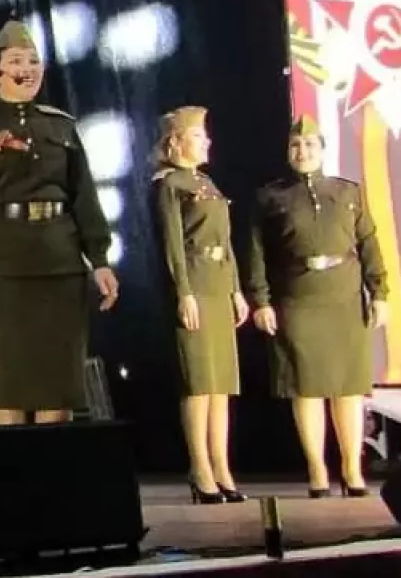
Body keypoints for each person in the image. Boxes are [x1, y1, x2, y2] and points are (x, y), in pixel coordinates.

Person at [0, 21, 119, 426]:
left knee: (56, 385)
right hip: (3, 268)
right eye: (15, 61)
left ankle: (52, 466)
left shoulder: (61, 125)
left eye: (33, 61)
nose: (27, 69)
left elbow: (84, 197)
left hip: (59, 265)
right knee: (8, 383)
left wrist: (99, 260)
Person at [245, 114, 389, 498]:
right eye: (295, 145)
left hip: (344, 297)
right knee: (305, 388)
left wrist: (380, 292)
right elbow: (257, 254)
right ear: (287, 152)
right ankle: (317, 469)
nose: (302, 151)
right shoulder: (271, 198)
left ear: (322, 149)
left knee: (348, 387)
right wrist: (261, 301)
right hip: (298, 299)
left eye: (310, 144)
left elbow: (369, 244)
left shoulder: (347, 192)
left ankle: (352, 469)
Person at [149, 106, 246, 504]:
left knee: (220, 385)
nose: (207, 142)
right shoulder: (170, 184)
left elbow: (226, 241)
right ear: (175, 142)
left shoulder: (207, 183)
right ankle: (200, 467)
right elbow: (172, 245)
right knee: (198, 383)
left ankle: (222, 468)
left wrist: (236, 290)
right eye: (197, 135)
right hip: (194, 283)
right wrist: (183, 292)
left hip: (218, 284)